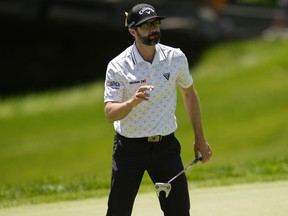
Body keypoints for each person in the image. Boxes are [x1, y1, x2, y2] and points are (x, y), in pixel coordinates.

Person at [104, 3, 212, 216]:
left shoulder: (175, 58)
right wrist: (132, 102)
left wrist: (200, 137)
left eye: (155, 23)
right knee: (118, 211)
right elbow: (110, 113)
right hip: (129, 149)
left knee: (179, 211)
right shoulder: (118, 66)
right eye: (146, 26)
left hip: (166, 148)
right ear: (133, 31)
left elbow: (189, 94)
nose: (153, 29)